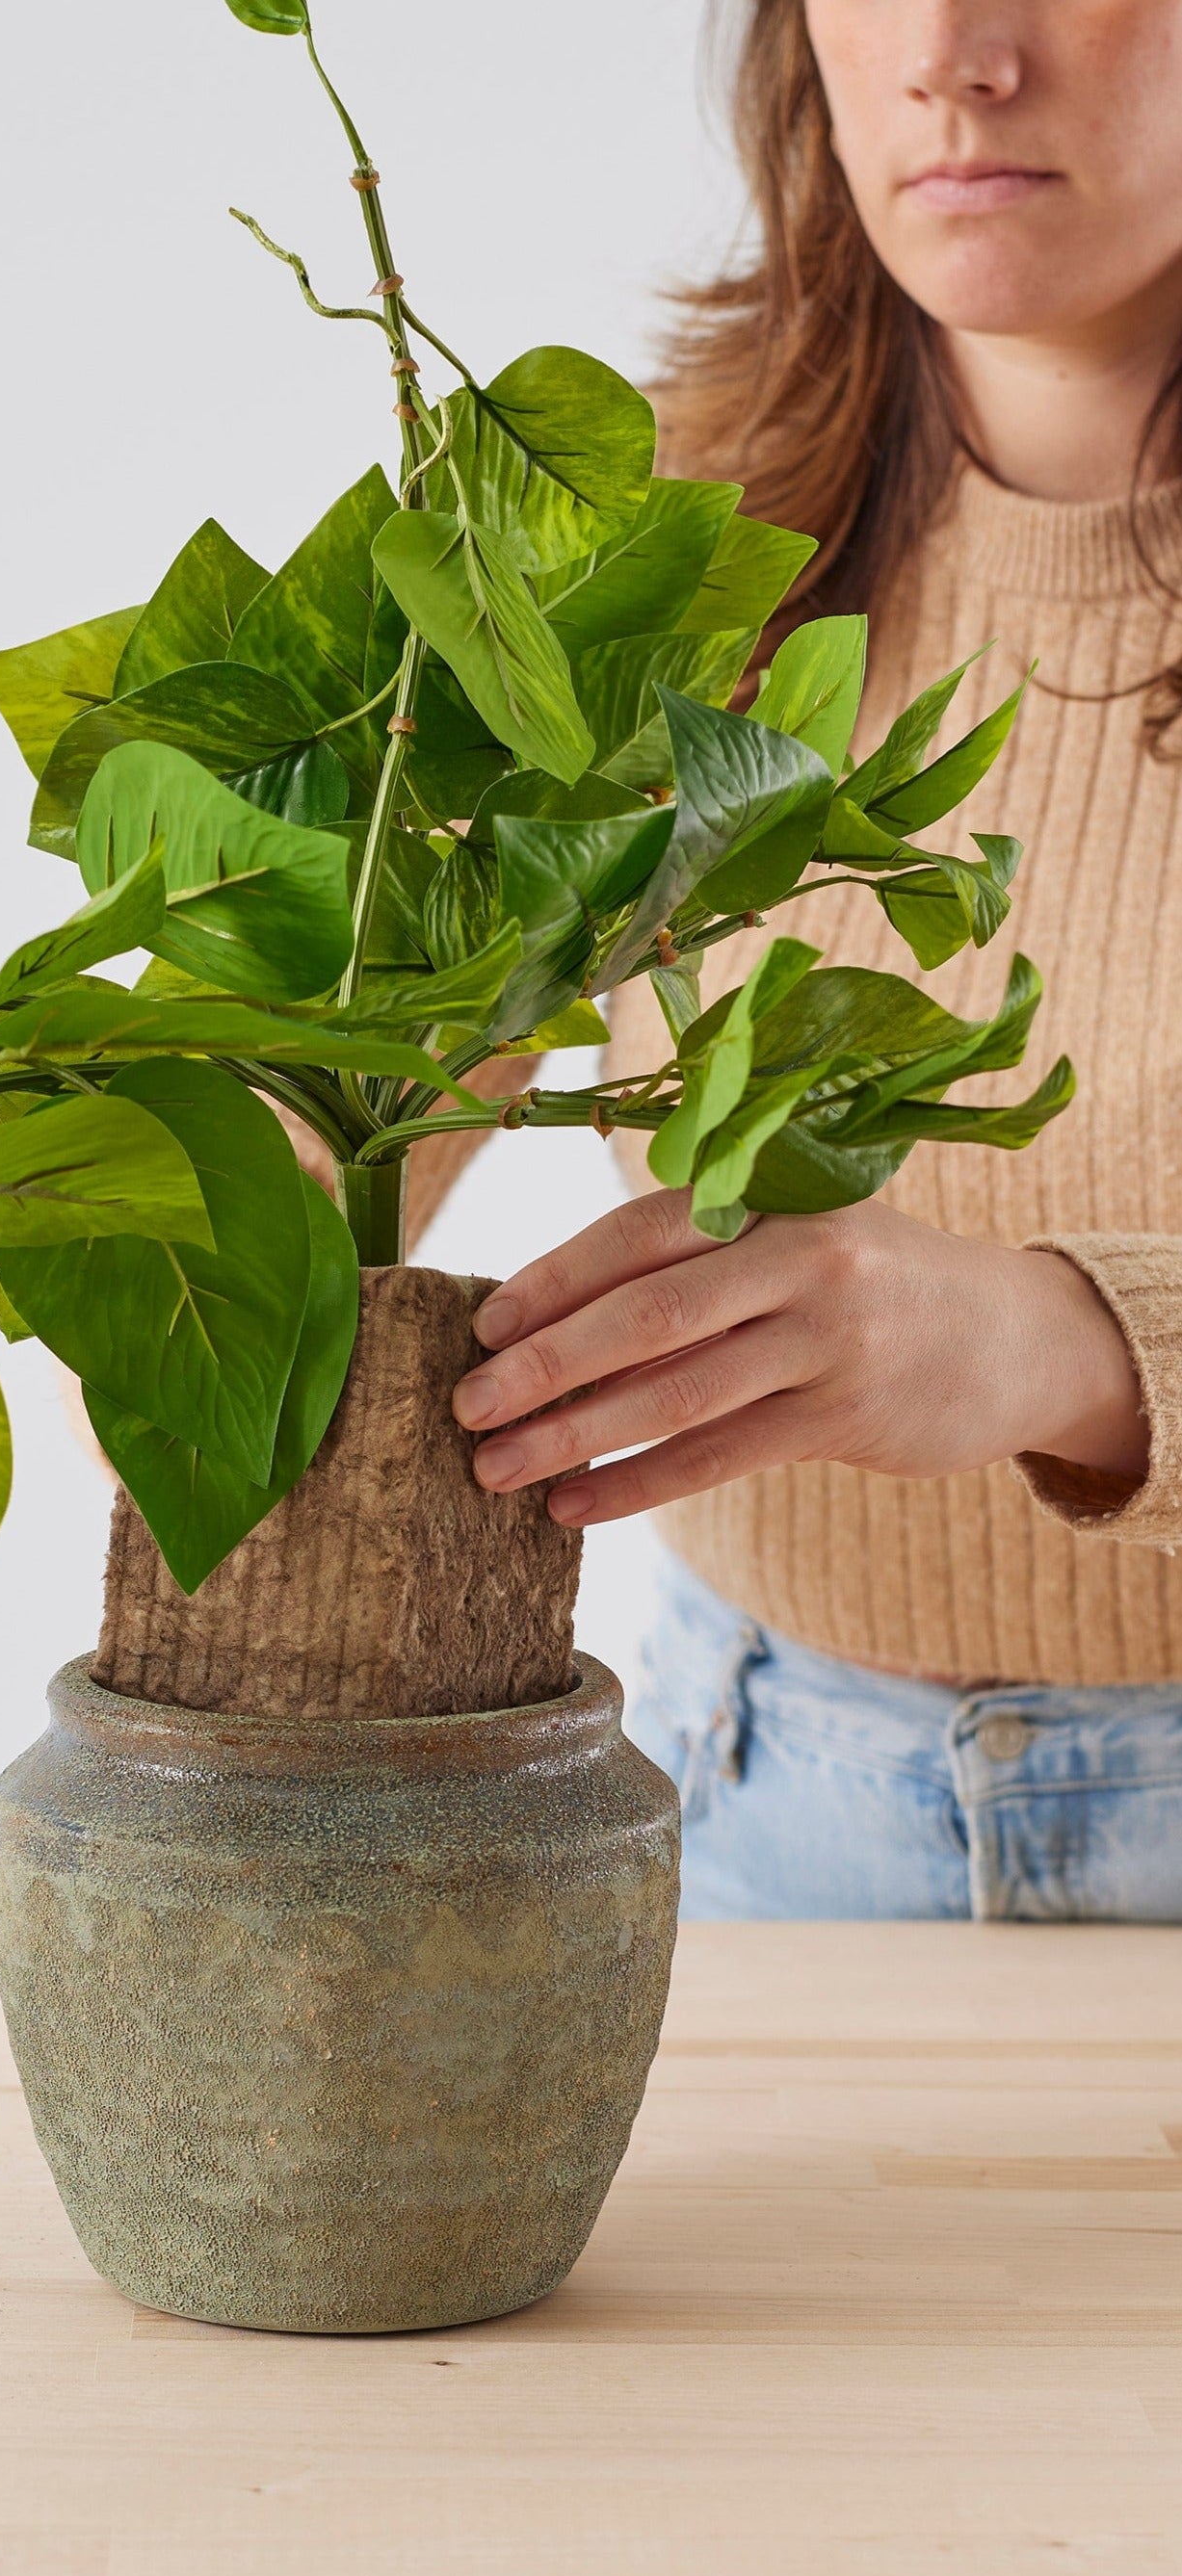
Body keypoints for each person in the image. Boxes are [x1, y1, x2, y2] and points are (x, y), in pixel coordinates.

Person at [438, 0, 1182, 1919]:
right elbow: (317, 1079)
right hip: (746, 1818)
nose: (952, 50)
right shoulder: (660, 553)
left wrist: (1053, 1341)